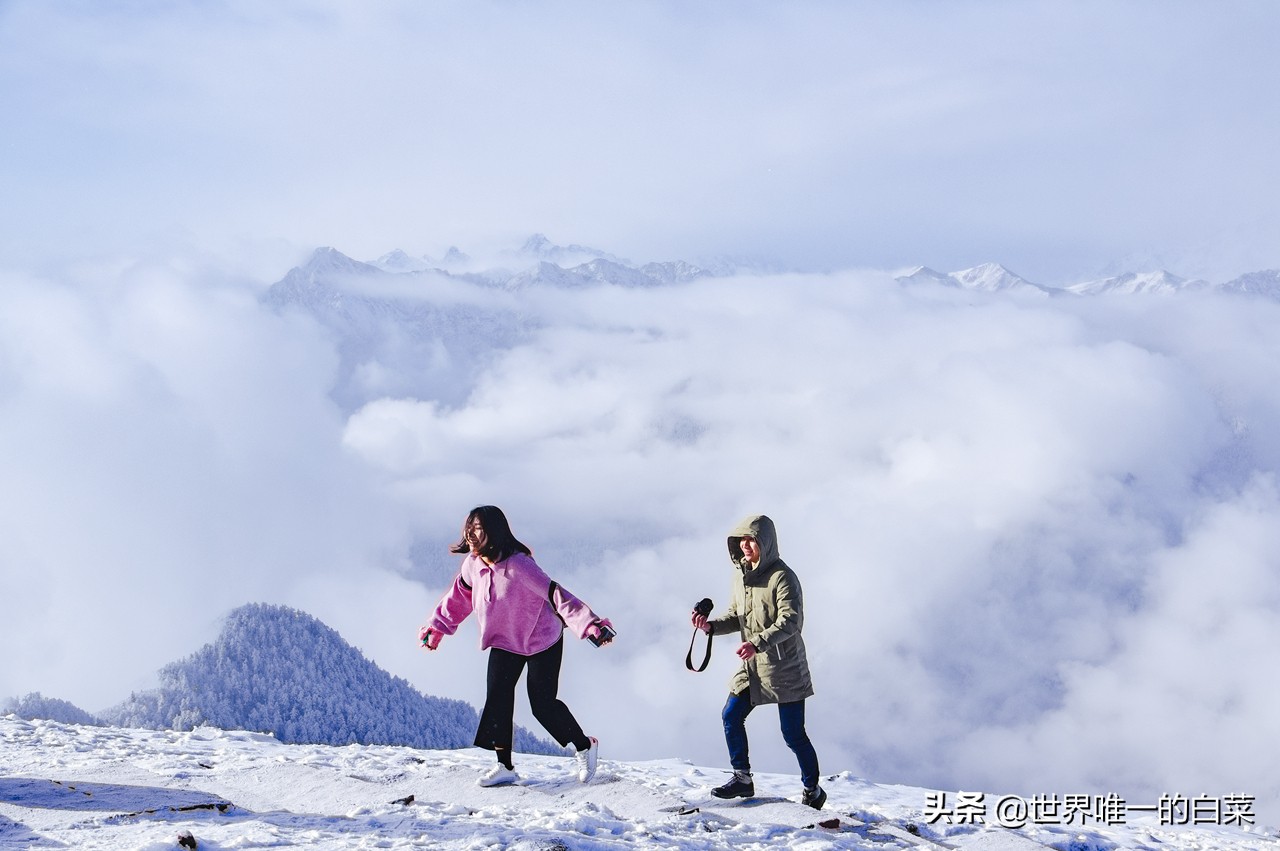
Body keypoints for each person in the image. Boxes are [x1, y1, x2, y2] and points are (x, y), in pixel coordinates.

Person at [420, 505, 614, 787]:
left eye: (477, 528)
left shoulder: (519, 565)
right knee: (497, 699)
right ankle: (505, 766)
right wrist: (438, 627)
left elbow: (556, 594)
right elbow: (458, 598)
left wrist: (590, 625)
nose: (470, 535)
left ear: (493, 531)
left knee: (542, 705)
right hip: (504, 640)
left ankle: (585, 746)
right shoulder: (473, 565)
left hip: (541, 641)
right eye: (468, 528)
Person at [692, 514, 826, 810]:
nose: (746, 545)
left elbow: (791, 621)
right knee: (730, 715)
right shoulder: (740, 575)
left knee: (793, 735)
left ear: (765, 542)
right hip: (752, 666)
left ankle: (813, 789)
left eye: (752, 539)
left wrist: (756, 643)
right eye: (742, 540)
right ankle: (742, 778)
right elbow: (735, 615)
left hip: (785, 667)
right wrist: (710, 627)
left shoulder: (783, 576)